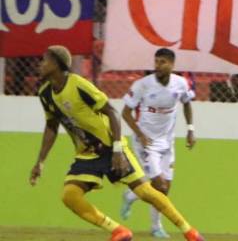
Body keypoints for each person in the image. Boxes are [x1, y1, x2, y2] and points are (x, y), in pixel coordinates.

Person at [28, 45, 206, 241]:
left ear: (57, 64)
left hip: (110, 146)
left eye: (45, 60)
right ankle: (119, 231)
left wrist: (117, 150)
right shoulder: (45, 93)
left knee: (145, 191)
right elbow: (51, 126)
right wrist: (40, 161)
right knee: (69, 195)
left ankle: (189, 231)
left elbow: (112, 112)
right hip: (87, 154)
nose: (40, 64)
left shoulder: (78, 85)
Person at [119, 48, 196, 239]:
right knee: (159, 186)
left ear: (172, 65)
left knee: (165, 188)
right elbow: (125, 113)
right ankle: (156, 227)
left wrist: (190, 129)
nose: (158, 66)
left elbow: (187, 103)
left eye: (162, 62)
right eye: (156, 61)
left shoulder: (180, 83)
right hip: (146, 142)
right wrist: (140, 135)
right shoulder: (142, 85)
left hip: (167, 142)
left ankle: (131, 196)